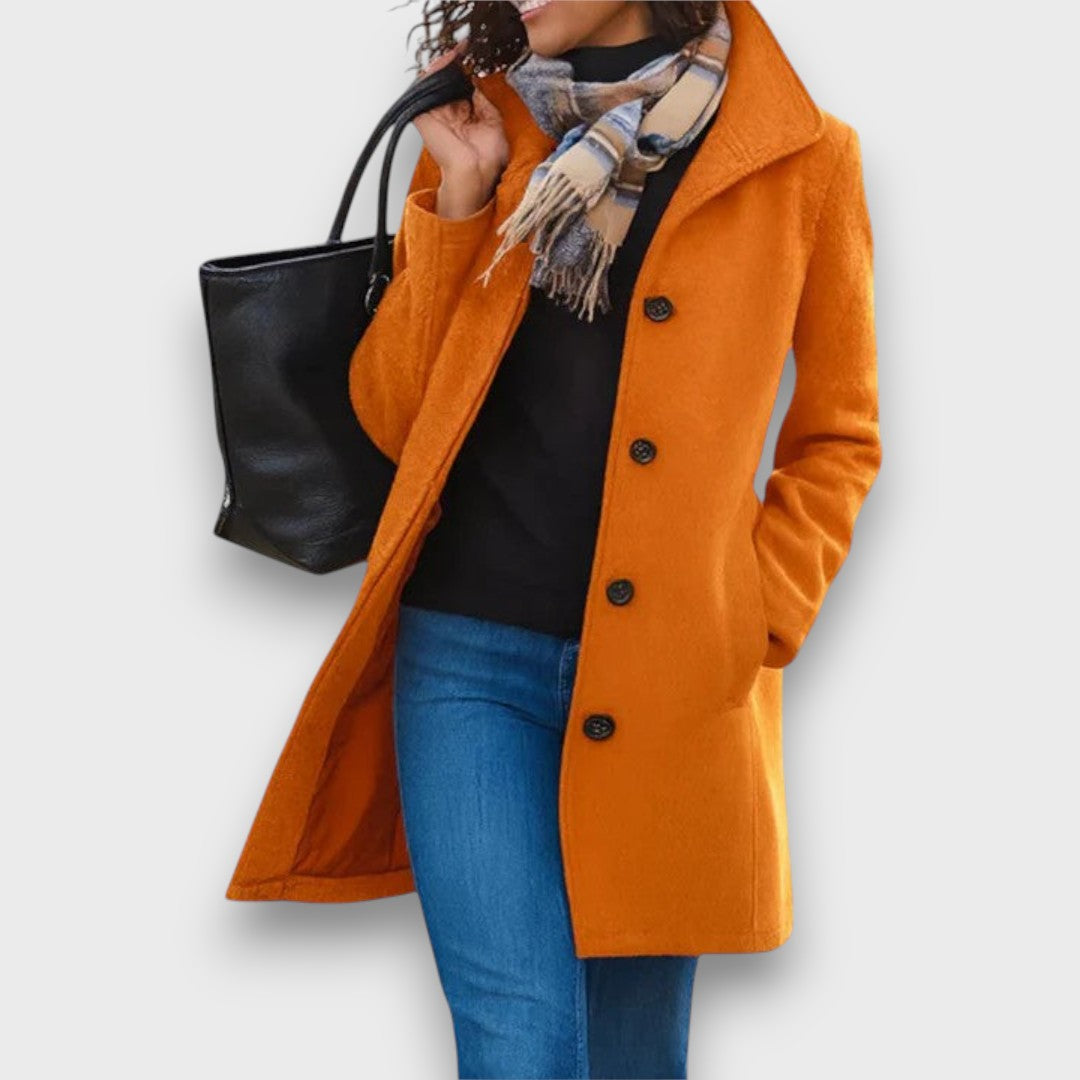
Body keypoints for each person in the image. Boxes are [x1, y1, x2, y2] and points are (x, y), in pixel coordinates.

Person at [226, 3, 882, 1077]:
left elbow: (840, 435)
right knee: (520, 1041)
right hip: (470, 666)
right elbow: (393, 419)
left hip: (674, 684)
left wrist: (759, 612)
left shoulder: (801, 157)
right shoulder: (490, 127)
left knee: (632, 1056)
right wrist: (463, 197)